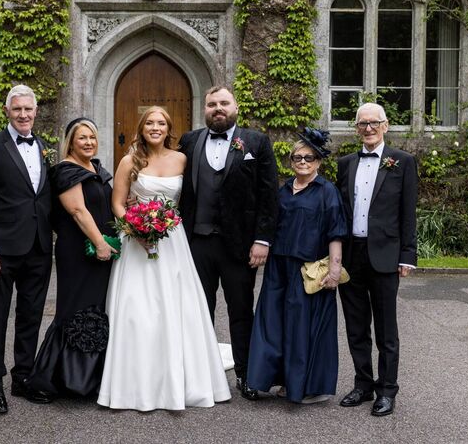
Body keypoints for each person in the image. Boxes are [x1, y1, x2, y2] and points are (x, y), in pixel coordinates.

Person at [97, 106, 231, 411]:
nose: (155, 128)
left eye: (161, 123)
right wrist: (135, 227)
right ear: (142, 127)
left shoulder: (182, 158)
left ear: (168, 129)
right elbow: (117, 203)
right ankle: (134, 383)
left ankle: (182, 380)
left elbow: (190, 200)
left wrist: (162, 224)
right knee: (137, 309)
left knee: (176, 306)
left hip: (172, 241)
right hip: (136, 242)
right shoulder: (129, 160)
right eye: (150, 123)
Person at [178, 85, 279, 400]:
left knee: (240, 310)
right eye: (211, 104)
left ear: (235, 106)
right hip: (197, 242)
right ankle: (201, 374)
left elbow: (268, 196)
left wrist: (262, 240)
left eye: (223, 103)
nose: (217, 108)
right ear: (205, 109)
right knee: (198, 310)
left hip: (240, 245)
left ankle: (246, 375)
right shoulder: (189, 141)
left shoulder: (256, 142)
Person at [247, 128, 348, 403]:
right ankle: (276, 380)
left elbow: (335, 233)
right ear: (291, 161)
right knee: (274, 324)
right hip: (278, 268)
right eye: (297, 157)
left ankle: (306, 387)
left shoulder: (327, 191)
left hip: (309, 270)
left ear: (318, 161)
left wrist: (335, 270)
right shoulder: (283, 190)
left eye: (309, 157)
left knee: (302, 329)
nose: (303, 162)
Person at [0, 85, 54, 415]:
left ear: (35, 112)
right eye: (17, 109)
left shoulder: (47, 147)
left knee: (31, 316)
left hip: (38, 246)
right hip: (3, 250)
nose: (23, 114)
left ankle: (22, 377)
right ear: (8, 111)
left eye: (28, 109)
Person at [336, 102, 418, 417]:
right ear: (356, 128)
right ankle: (363, 384)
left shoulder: (402, 162)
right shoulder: (345, 163)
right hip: (351, 255)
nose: (368, 128)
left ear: (385, 126)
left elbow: (408, 212)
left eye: (374, 123)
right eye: (362, 124)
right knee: (356, 327)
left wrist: (407, 255)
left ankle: (387, 390)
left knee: (386, 329)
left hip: (385, 256)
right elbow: (341, 209)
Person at [28, 118, 117, 400]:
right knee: (74, 309)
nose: (89, 142)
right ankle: (56, 378)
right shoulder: (66, 171)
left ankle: (89, 378)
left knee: (96, 309)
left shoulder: (96, 168)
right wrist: (100, 243)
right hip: (78, 252)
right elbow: (78, 211)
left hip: (101, 251)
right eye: (82, 138)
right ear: (71, 141)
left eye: (92, 136)